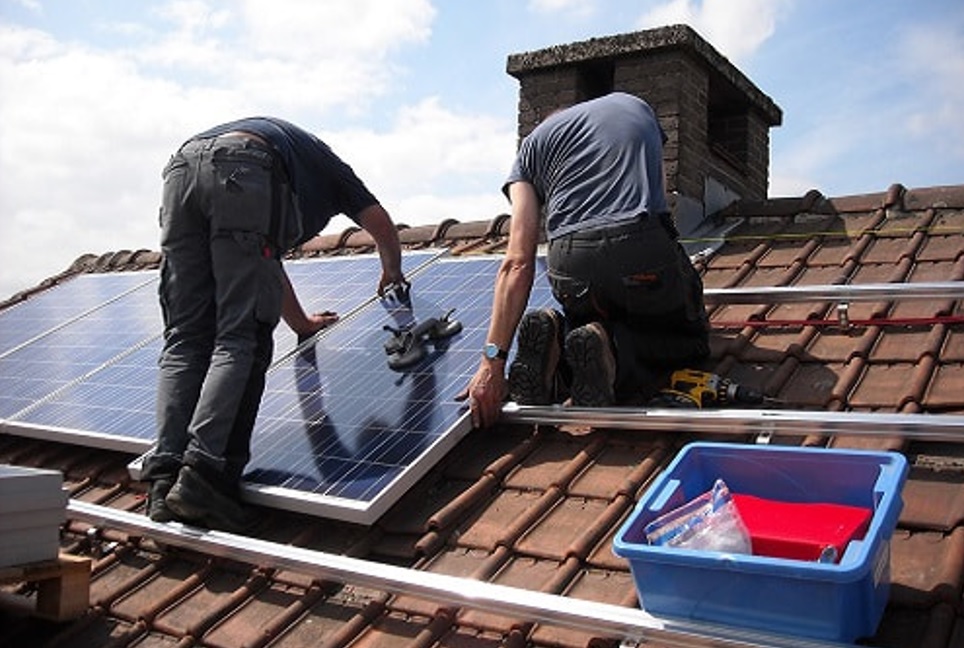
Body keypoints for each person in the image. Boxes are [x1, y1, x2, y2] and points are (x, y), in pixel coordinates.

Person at [141, 117, 407, 531]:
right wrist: (392, 270)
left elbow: (264, 266)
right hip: (243, 167)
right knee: (240, 337)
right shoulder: (331, 169)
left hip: (180, 172)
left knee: (186, 339)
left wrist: (301, 323)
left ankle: (164, 481)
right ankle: (203, 478)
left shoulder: (294, 157)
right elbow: (379, 223)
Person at [461, 92, 709, 429]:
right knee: (689, 338)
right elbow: (661, 200)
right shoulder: (634, 104)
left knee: (589, 318)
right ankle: (616, 355)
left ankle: (559, 342)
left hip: (569, 262)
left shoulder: (530, 148)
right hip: (639, 244)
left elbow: (517, 260)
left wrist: (492, 362)